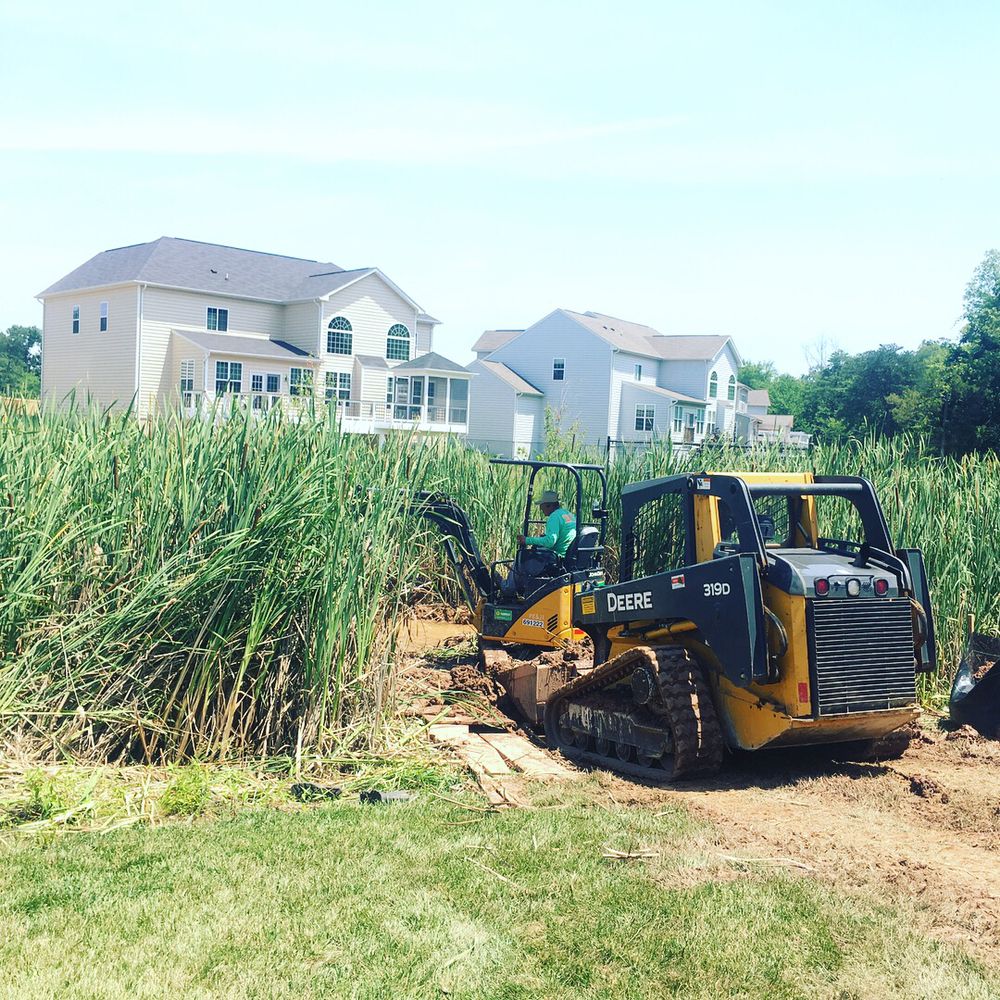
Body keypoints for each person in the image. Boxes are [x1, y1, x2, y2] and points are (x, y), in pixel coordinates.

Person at [502, 491, 577, 597]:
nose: (541, 509)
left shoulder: (554, 517)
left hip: (556, 557)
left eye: (542, 506)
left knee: (521, 558)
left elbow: (550, 541)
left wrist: (527, 540)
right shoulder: (568, 515)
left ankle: (508, 588)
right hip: (567, 555)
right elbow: (561, 536)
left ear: (549, 505)